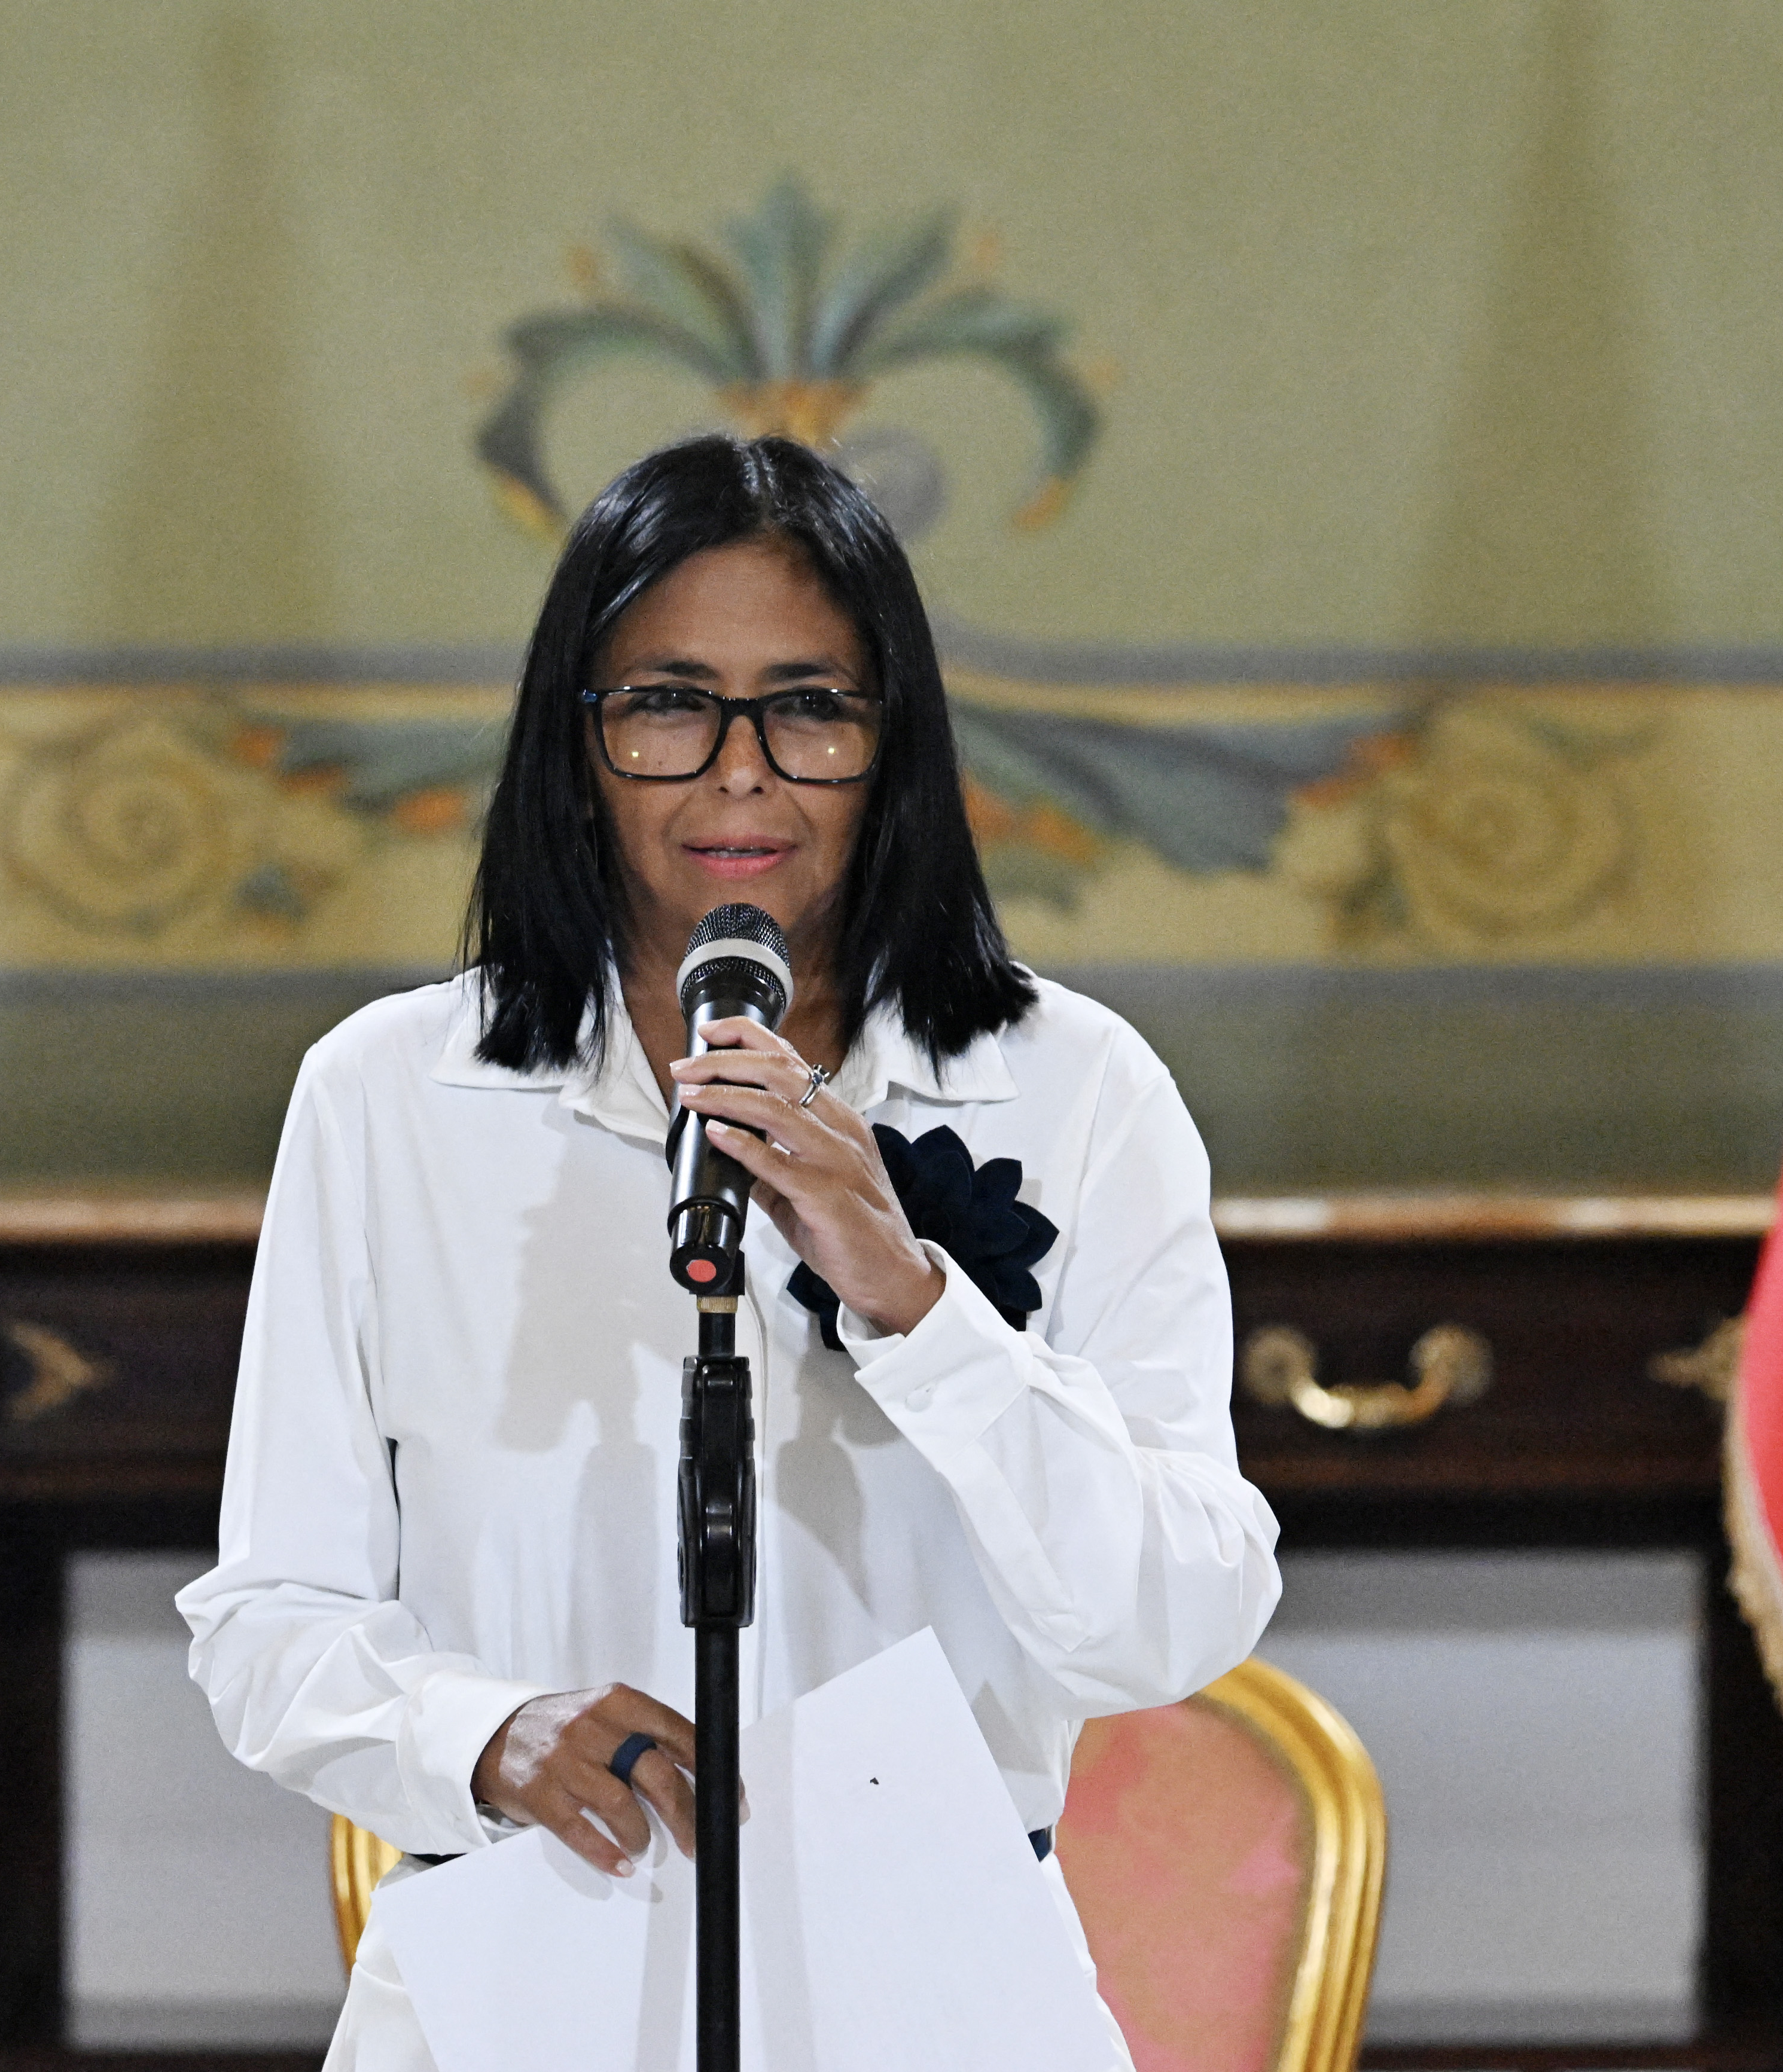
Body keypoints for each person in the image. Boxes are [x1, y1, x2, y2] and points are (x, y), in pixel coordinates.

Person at [178, 435, 1282, 2068]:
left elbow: (1177, 1615)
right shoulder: (392, 1096)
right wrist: (485, 1730)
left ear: (892, 744)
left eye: (811, 708)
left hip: (937, 1995)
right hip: (531, 1979)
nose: (738, 773)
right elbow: (271, 1616)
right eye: (669, 703)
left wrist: (915, 1299)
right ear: (581, 746)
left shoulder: (1076, 1088)